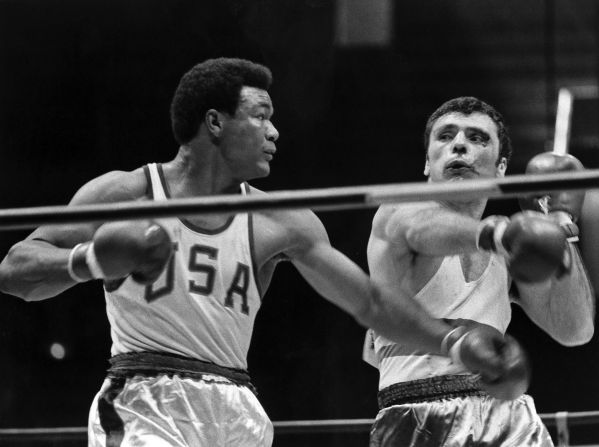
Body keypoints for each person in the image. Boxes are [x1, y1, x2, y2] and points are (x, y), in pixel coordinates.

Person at [1, 62, 529, 447]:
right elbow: (16, 270)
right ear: (215, 123)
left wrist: (452, 342)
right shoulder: (125, 194)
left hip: (237, 408)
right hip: (145, 398)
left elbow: (369, 302)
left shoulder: (285, 220)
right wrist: (90, 262)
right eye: (260, 116)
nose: (275, 131)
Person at [364, 96, 595, 447]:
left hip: (510, 417)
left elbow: (575, 329)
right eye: (445, 136)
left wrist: (560, 230)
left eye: (477, 138)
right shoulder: (398, 211)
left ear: (501, 168)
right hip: (420, 413)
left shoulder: (508, 250)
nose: (459, 144)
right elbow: (418, 230)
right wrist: (497, 234)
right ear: (427, 162)